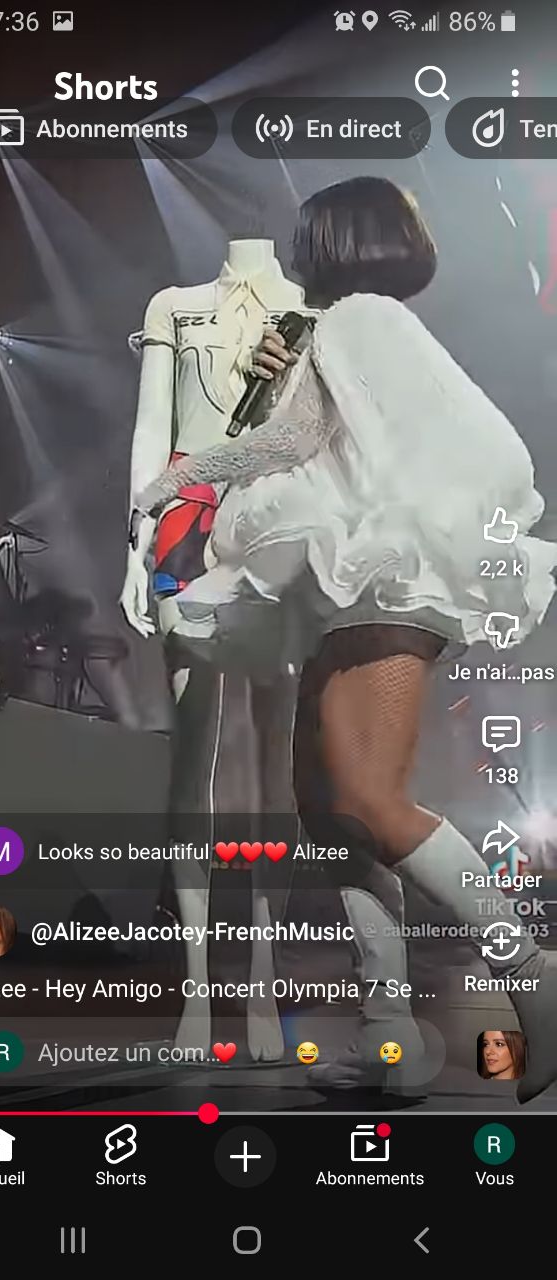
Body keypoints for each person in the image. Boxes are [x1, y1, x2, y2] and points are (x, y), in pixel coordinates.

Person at [130, 176, 557, 1104]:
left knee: (364, 798)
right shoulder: (364, 326)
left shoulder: (358, 319)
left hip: (382, 577)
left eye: (306, 237)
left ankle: (532, 971)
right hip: (363, 580)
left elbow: (292, 445)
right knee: (326, 810)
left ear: (330, 241)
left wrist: (172, 480)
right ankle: (386, 1034)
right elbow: (307, 436)